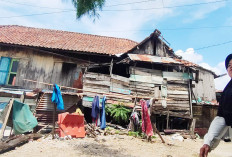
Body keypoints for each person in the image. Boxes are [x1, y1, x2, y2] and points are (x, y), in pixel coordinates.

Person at [199, 54, 232, 157]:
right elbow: (222, 117)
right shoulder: (227, 92)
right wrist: (208, 142)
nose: (231, 67)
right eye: (229, 65)